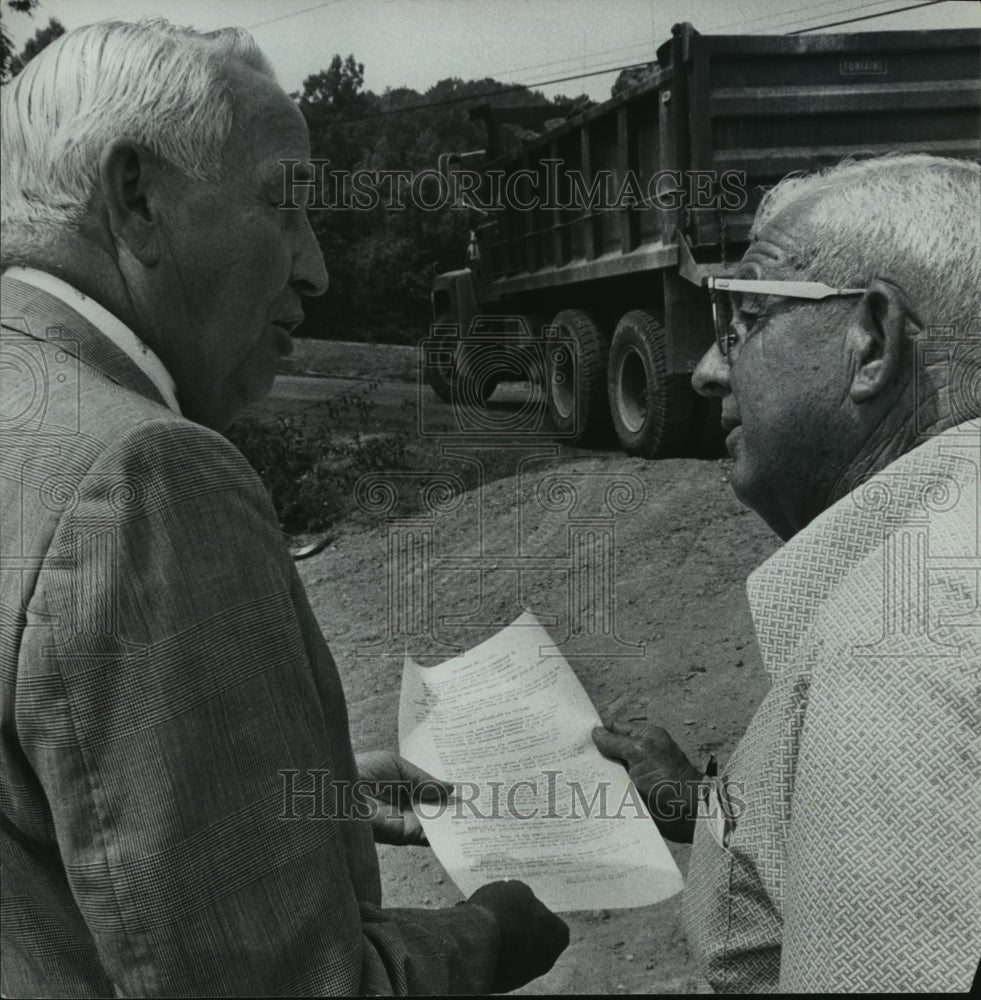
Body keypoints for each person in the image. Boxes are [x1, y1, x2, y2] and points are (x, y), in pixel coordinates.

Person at [0, 19, 568, 996]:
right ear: (137, 198)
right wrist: (493, 934)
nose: (317, 268)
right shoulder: (145, 476)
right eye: (285, 207)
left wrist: (285, 786)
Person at [594, 154, 981, 992]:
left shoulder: (892, 658)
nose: (705, 369)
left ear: (870, 339)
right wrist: (709, 817)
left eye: (742, 321)